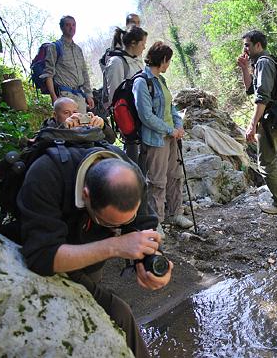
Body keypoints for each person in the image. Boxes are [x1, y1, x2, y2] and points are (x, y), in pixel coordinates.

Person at [18, 146, 172, 358]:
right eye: (107, 223)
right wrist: (115, 246)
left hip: (88, 262)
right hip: (44, 258)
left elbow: (143, 226)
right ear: (85, 195)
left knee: (113, 313)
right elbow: (41, 257)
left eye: (125, 221)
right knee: (116, 312)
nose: (115, 229)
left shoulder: (130, 176)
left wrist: (152, 259)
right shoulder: (47, 174)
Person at [134, 41, 193, 230]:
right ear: (163, 60)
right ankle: (156, 222)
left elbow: (171, 107)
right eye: (169, 61)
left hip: (171, 137)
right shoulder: (141, 82)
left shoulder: (161, 80)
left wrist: (178, 125)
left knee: (175, 176)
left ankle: (176, 213)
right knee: (157, 181)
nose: (169, 65)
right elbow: (146, 116)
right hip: (155, 140)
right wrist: (170, 130)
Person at [237, 30, 277, 215]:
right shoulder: (267, 61)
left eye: (247, 44)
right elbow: (249, 90)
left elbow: (261, 97)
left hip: (270, 120)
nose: (244, 48)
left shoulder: (263, 63)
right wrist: (244, 68)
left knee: (267, 163)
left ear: (258, 45)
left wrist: (253, 124)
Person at [103, 26, 148, 164]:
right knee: (133, 156)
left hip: (142, 116)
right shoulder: (117, 62)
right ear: (133, 43)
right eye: (142, 44)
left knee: (145, 156)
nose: (144, 47)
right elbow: (115, 96)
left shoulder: (137, 61)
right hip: (129, 117)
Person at [43, 15, 94, 114]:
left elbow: (84, 73)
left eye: (74, 25)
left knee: (83, 127)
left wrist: (88, 95)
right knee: (68, 127)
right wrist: (54, 97)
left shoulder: (78, 49)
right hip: (64, 96)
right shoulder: (54, 47)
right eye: (68, 25)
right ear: (62, 27)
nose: (72, 28)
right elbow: (48, 74)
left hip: (80, 97)